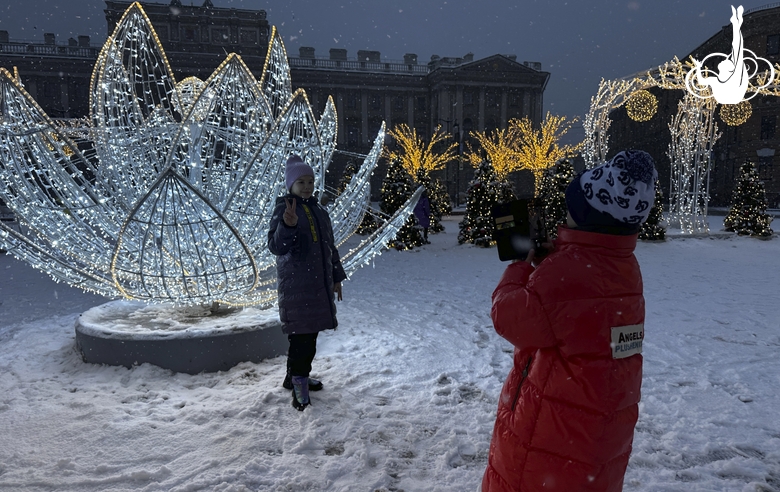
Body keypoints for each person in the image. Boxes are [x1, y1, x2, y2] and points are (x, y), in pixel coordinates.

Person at [481, 150, 657, 492]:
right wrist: (560, 258)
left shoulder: (567, 274)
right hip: (593, 439)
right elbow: (581, 303)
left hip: (551, 437)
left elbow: (510, 317)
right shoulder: (624, 267)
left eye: (570, 211)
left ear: (587, 215)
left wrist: (520, 267)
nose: (563, 218)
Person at [267, 155, 347, 411]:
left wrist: (336, 278)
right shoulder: (285, 209)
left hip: (317, 285)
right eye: (300, 181)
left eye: (310, 181)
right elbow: (276, 246)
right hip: (297, 286)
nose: (307, 186)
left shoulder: (319, 210)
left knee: (304, 337)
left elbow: (329, 247)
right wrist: (287, 226)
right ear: (290, 184)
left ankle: (294, 378)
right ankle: (299, 383)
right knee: (303, 340)